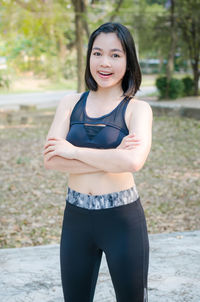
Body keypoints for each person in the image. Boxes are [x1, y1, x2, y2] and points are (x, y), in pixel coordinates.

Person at [43, 22, 152, 302]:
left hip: (122, 219)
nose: (105, 63)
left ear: (128, 61)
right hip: (76, 218)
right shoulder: (70, 102)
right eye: (97, 53)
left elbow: (133, 161)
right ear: (89, 56)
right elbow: (52, 160)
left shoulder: (138, 109)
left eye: (115, 55)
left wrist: (73, 151)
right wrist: (114, 157)